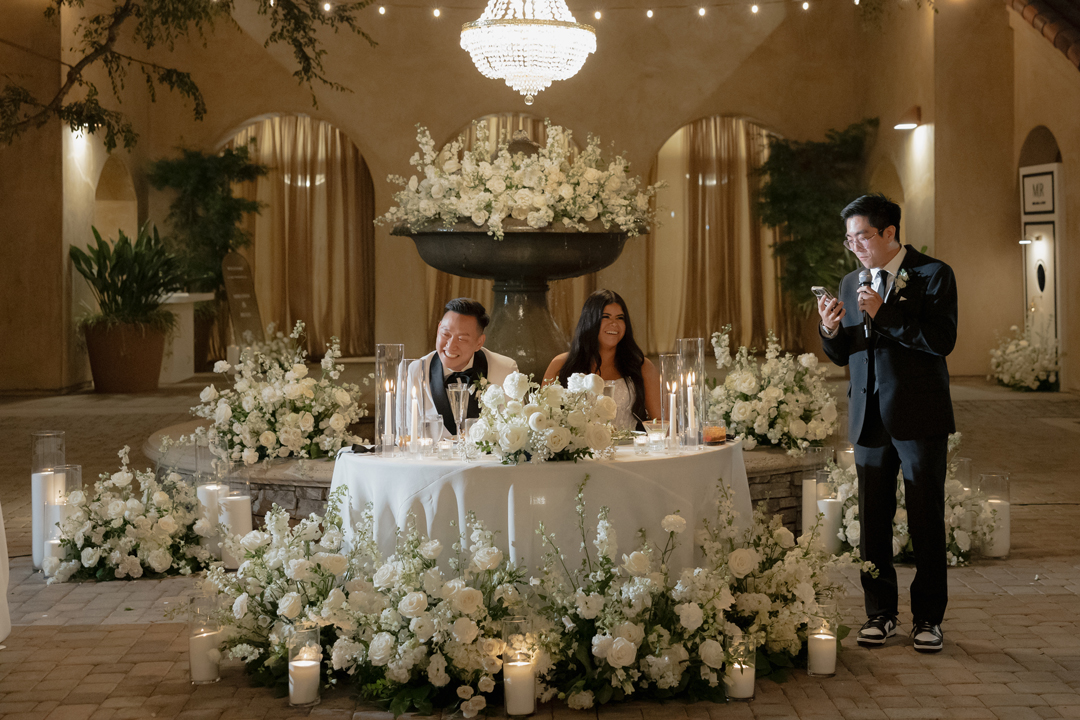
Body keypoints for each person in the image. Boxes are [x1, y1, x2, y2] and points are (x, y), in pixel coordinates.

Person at [817, 194, 957, 654]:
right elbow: (848, 353)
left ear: (890, 233)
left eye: (863, 236)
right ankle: (880, 614)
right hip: (868, 418)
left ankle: (928, 620)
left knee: (925, 520)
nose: (854, 245)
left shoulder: (933, 275)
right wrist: (831, 330)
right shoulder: (850, 281)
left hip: (919, 416)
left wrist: (885, 312)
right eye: (849, 238)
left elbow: (941, 340)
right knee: (872, 522)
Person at [543, 289, 661, 431]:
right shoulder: (561, 364)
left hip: (629, 451)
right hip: (581, 452)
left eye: (620, 318)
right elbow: (544, 420)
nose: (614, 324)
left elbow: (661, 422)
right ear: (590, 321)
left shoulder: (642, 366)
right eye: (606, 317)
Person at [406, 298, 518, 437]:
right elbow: (404, 435)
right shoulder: (416, 371)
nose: (450, 346)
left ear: (479, 342)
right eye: (445, 334)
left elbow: (516, 432)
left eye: (462, 339)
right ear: (438, 328)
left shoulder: (505, 370)